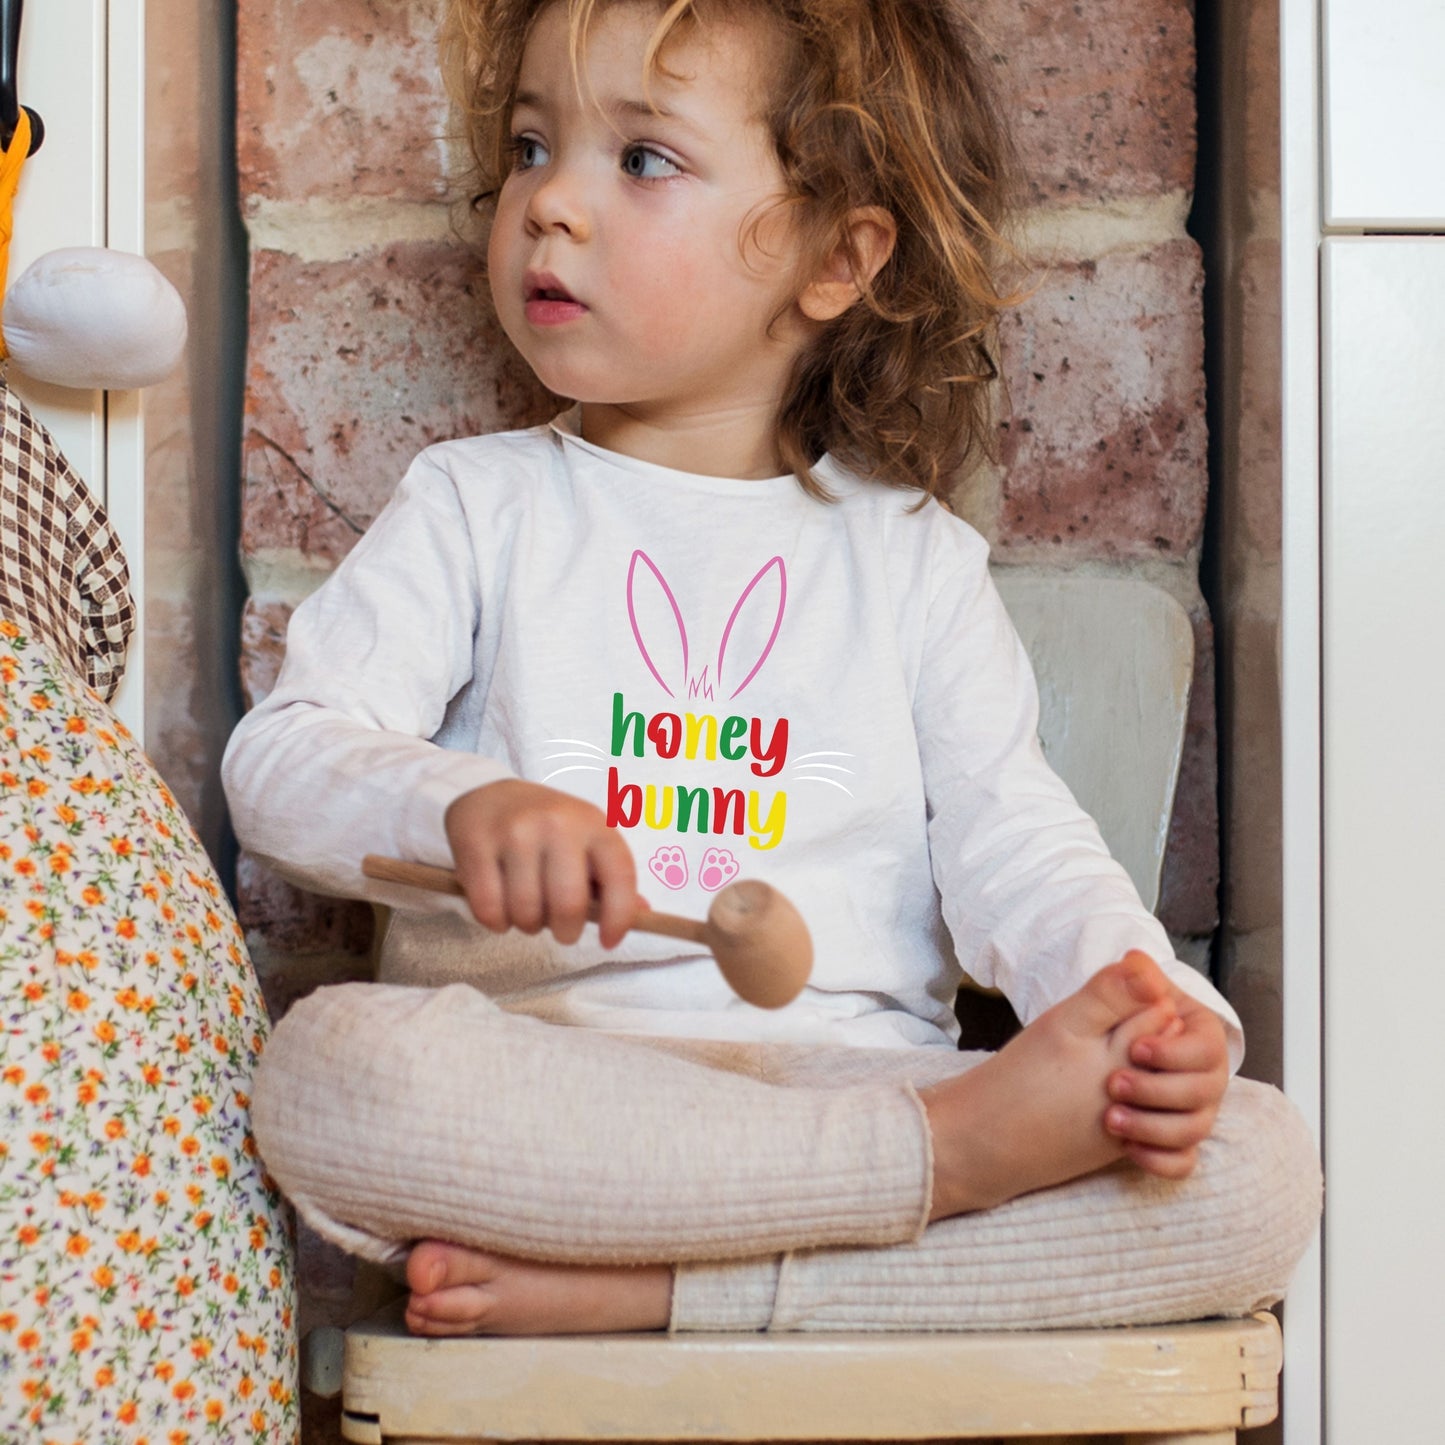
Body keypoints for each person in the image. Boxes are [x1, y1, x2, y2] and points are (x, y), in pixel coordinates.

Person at [224, 0, 1319, 1339]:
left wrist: (1145, 1017)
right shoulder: (476, 506)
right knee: (331, 1074)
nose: (548, 202)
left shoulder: (910, 560)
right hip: (574, 1104)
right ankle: (916, 1185)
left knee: (1256, 1171)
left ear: (835, 257)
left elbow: (1017, 845)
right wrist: (453, 805)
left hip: (850, 1083)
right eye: (528, 146)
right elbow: (281, 761)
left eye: (643, 158)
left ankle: (673, 1288)